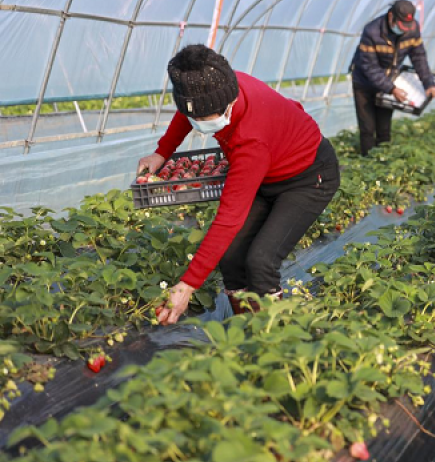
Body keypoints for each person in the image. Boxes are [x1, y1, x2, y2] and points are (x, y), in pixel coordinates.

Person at [137, 45, 340, 323]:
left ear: (228, 104)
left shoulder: (251, 141)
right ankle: (244, 326)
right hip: (268, 172)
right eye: (195, 117)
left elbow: (229, 219)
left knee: (261, 262)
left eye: (204, 119)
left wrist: (187, 286)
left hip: (307, 178)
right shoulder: (218, 85)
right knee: (231, 257)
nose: (199, 124)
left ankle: (274, 336)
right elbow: (188, 113)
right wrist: (162, 152)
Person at [350, 0, 435, 156]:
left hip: (389, 81)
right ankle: (367, 161)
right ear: (391, 16)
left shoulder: (412, 30)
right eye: (402, 25)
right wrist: (391, 89)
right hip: (364, 83)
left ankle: (383, 161)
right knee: (367, 128)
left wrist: (429, 83)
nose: (404, 30)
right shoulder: (372, 31)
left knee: (384, 128)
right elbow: (369, 67)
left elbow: (418, 56)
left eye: (408, 26)